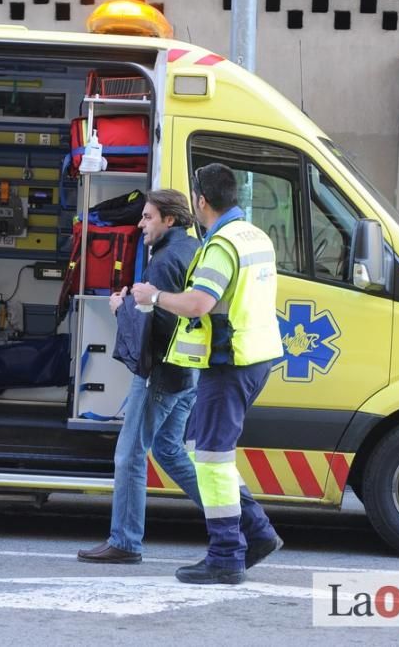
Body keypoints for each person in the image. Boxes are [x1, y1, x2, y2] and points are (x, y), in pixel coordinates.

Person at [132, 163, 284, 585]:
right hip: (254, 357)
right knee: (203, 447)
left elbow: (199, 303)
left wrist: (155, 296)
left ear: (201, 201)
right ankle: (257, 533)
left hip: (230, 362)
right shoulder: (255, 236)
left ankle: (226, 555)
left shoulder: (222, 245)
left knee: (212, 459)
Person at [77, 189, 202, 564]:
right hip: (186, 371)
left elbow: (154, 327)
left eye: (147, 217)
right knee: (169, 450)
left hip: (161, 372)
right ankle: (239, 518)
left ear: (170, 220)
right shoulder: (192, 250)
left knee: (130, 453)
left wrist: (120, 308)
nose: (140, 224)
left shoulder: (163, 261)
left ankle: (126, 541)